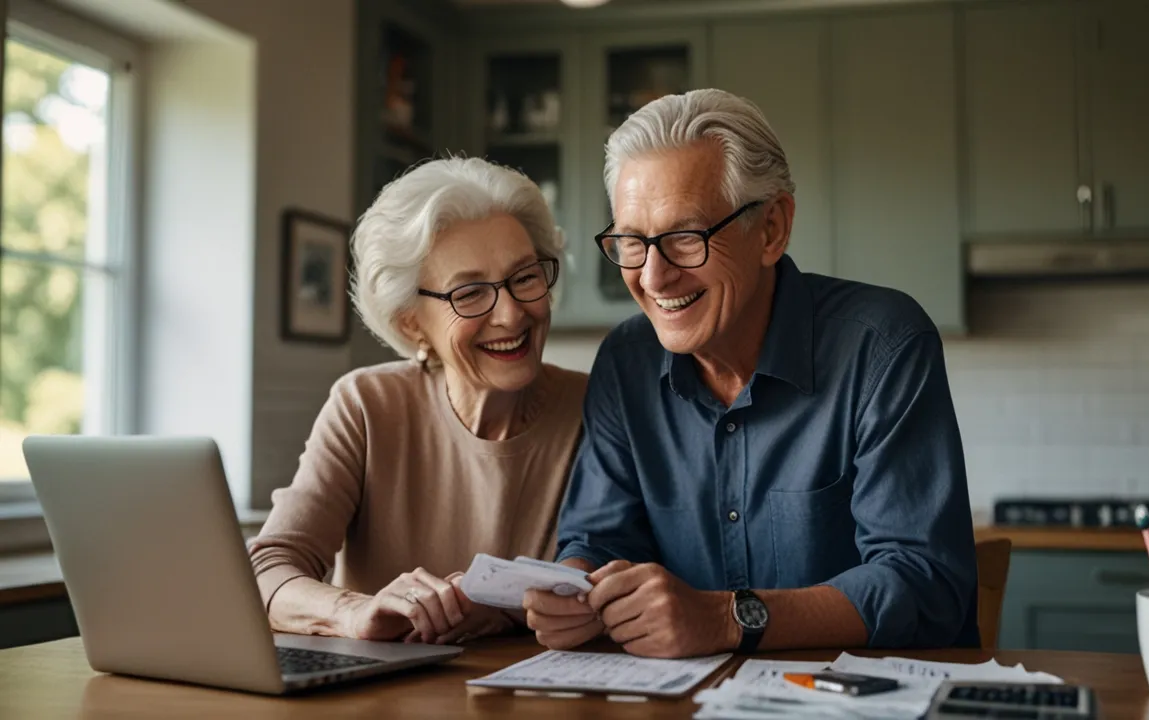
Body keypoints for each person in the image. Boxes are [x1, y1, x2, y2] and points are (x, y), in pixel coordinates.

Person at [524, 89, 978, 658]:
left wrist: (726, 618)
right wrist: (574, 588)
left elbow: (924, 582)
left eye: (685, 237)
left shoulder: (883, 346)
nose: (653, 277)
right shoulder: (625, 362)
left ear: (771, 230)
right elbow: (598, 537)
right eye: (632, 242)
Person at [248, 157, 588, 646]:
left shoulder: (598, 408)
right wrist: (355, 613)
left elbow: (613, 578)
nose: (512, 314)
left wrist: (501, 611)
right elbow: (269, 568)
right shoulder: (367, 405)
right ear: (411, 322)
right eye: (470, 293)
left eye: (526, 277)